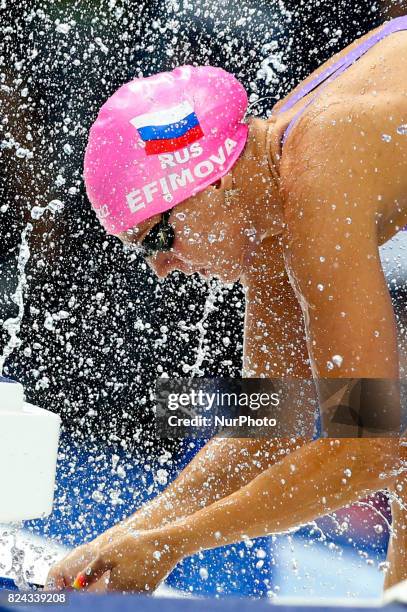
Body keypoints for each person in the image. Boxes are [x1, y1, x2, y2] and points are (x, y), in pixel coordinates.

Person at [47, 15, 407, 593]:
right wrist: (128, 537)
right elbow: (272, 422)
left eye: (158, 238)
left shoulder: (316, 179)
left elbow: (365, 451)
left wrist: (172, 545)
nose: (162, 268)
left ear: (210, 184)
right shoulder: (265, 194)